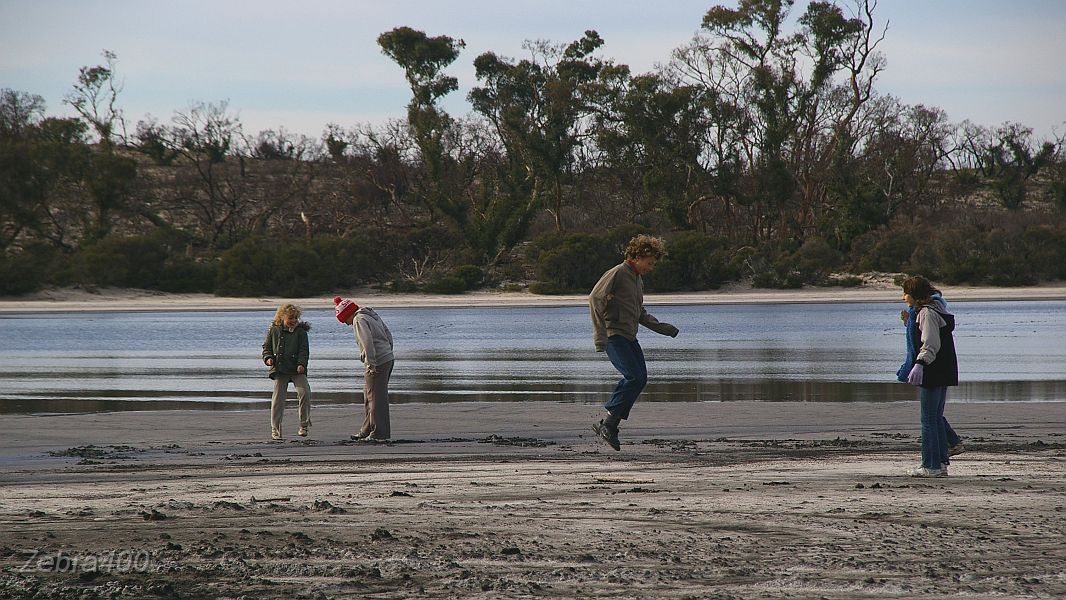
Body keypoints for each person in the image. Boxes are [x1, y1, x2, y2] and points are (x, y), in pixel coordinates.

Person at [588, 234, 679, 451]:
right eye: (650, 263)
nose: (651, 267)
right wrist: (599, 337)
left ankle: (609, 424)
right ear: (638, 256)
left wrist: (663, 328)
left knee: (640, 379)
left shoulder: (638, 279)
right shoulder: (618, 272)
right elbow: (595, 298)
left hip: (629, 337)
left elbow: (640, 313)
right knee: (634, 377)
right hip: (613, 336)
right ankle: (609, 424)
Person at [901, 276, 960, 477]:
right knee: (934, 418)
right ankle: (940, 463)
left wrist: (919, 364)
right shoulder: (935, 309)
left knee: (928, 419)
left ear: (915, 295)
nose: (903, 297)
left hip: (933, 370)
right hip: (943, 370)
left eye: (906, 293)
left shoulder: (927, 313)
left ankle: (930, 465)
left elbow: (930, 343)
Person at [335, 296, 395, 442]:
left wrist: (370, 363)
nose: (347, 324)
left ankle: (379, 433)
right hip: (387, 357)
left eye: (344, 321)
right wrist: (389, 351)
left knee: (375, 399)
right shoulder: (371, 315)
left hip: (377, 361)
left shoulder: (358, 320)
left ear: (347, 314)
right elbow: (388, 334)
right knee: (370, 396)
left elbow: (367, 342)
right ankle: (367, 429)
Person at [261, 303, 312, 441]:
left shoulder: (301, 332)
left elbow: (304, 350)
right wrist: (268, 358)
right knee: (278, 399)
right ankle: (275, 430)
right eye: (290, 318)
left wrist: (301, 364)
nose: (293, 321)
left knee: (305, 393)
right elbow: (267, 347)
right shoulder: (274, 330)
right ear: (282, 317)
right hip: (280, 369)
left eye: (296, 318)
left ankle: (304, 425)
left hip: (297, 369)